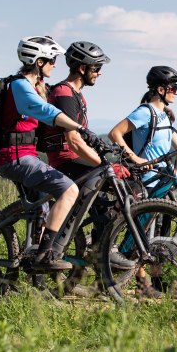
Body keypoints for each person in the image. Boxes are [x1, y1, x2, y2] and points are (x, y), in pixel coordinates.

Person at [108, 66, 177, 297]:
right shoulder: (145, 112)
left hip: (164, 179)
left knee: (159, 231)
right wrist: (136, 158)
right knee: (143, 231)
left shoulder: (164, 116)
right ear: (160, 89)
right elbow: (115, 134)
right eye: (173, 88)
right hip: (147, 180)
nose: (176, 92)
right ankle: (138, 280)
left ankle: (153, 282)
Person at [0, 35, 98, 270]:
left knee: (42, 211)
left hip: (24, 156)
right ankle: (46, 255)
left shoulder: (38, 87)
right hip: (14, 157)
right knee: (69, 189)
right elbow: (45, 110)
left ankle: (35, 267)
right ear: (38, 62)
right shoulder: (20, 85)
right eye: (52, 59)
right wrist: (79, 127)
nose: (55, 64)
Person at [43, 41, 135, 270]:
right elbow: (73, 141)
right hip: (66, 162)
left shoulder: (77, 96)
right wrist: (105, 167)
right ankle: (101, 250)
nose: (100, 72)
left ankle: (100, 248)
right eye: (96, 67)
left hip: (75, 160)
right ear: (82, 68)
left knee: (125, 190)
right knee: (114, 183)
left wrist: (106, 160)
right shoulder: (64, 93)